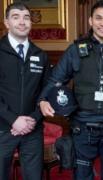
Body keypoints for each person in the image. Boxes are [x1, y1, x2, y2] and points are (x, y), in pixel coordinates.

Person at [38, 0, 103, 179]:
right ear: (90, 21)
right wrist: (42, 99)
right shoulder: (75, 50)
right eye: (98, 18)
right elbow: (55, 79)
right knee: (82, 175)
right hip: (82, 126)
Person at [0, 2, 51, 180]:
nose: (22, 22)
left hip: (32, 130)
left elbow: (47, 93)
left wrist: (33, 120)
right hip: (2, 129)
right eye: (16, 17)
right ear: (7, 22)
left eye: (26, 17)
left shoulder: (41, 55)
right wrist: (13, 120)